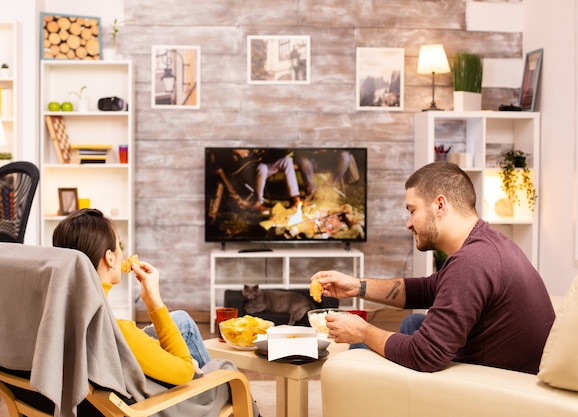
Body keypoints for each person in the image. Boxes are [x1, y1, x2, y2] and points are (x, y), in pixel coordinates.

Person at [310, 161, 555, 375]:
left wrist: (363, 332)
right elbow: (427, 289)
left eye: (412, 210)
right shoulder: (484, 245)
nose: (408, 224)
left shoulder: (472, 262)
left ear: (439, 205)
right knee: (413, 324)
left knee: (360, 349)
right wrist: (356, 286)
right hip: (502, 362)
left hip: (498, 386)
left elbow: (424, 354)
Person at [52, 208, 260, 416]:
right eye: (119, 245)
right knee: (226, 367)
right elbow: (184, 370)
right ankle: (209, 387)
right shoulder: (121, 332)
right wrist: (153, 301)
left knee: (181, 322)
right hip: (151, 406)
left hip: (111, 383)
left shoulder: (55, 318)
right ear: (110, 259)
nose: (121, 251)